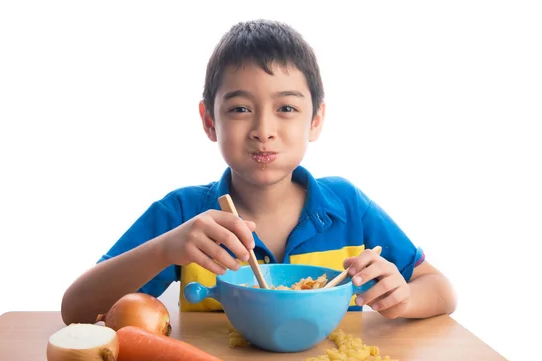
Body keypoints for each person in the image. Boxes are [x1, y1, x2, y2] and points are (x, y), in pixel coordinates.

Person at [60, 19, 457, 325]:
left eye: (286, 108)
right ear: (209, 121)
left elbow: (440, 290)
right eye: (239, 109)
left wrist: (402, 299)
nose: (263, 130)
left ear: (315, 120)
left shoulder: (348, 207)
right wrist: (166, 249)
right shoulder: (183, 215)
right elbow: (76, 310)